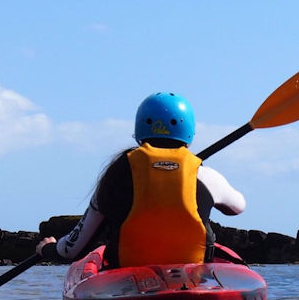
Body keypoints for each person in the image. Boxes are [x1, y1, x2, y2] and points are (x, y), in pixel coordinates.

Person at [35, 92, 246, 268]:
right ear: (189, 133)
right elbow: (238, 207)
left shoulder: (117, 174)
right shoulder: (206, 175)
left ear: (139, 131)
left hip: (128, 282)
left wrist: (49, 248)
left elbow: (74, 247)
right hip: (194, 278)